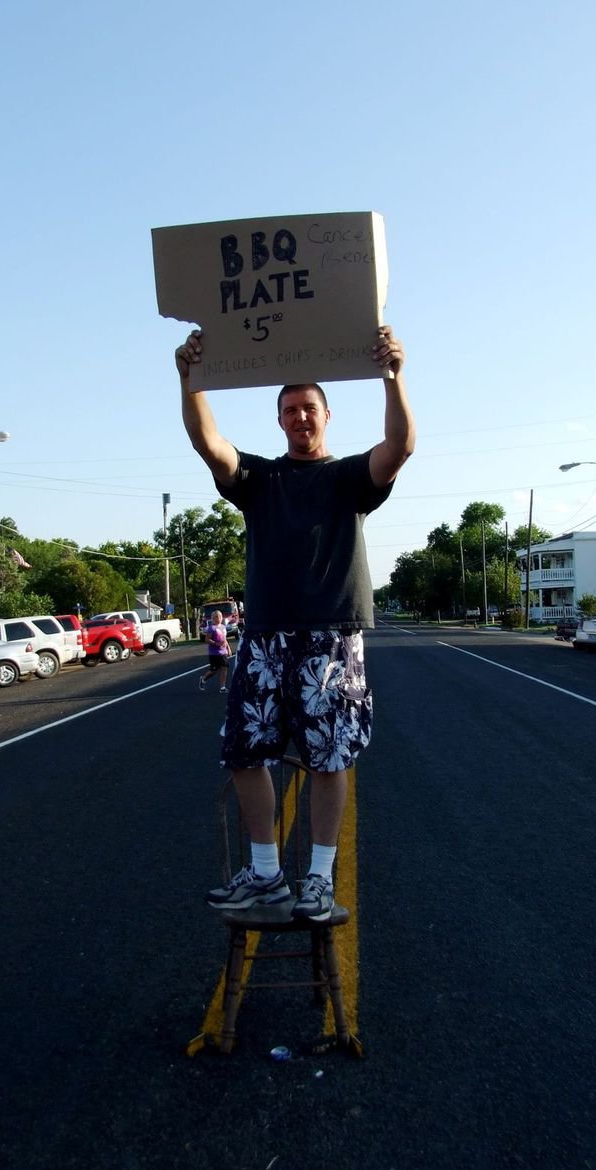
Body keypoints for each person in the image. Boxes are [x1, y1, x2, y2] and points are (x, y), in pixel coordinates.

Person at [176, 324, 415, 922]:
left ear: (327, 416)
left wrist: (393, 375)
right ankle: (265, 876)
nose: (300, 418)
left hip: (331, 634)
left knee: (330, 757)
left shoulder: (348, 479)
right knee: (242, 751)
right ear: (279, 420)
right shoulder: (260, 480)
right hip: (264, 635)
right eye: (290, 411)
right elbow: (210, 445)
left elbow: (402, 445)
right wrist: (191, 381)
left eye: (309, 408)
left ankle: (317, 880)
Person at [199, 609, 231, 693]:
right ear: (213, 618)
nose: (218, 618)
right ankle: (203, 679)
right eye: (216, 616)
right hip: (214, 653)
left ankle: (222, 687)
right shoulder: (211, 628)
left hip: (223, 652)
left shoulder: (223, 627)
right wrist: (216, 644)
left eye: (220, 616)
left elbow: (224, 639)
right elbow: (207, 639)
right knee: (214, 670)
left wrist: (228, 648)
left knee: (224, 668)